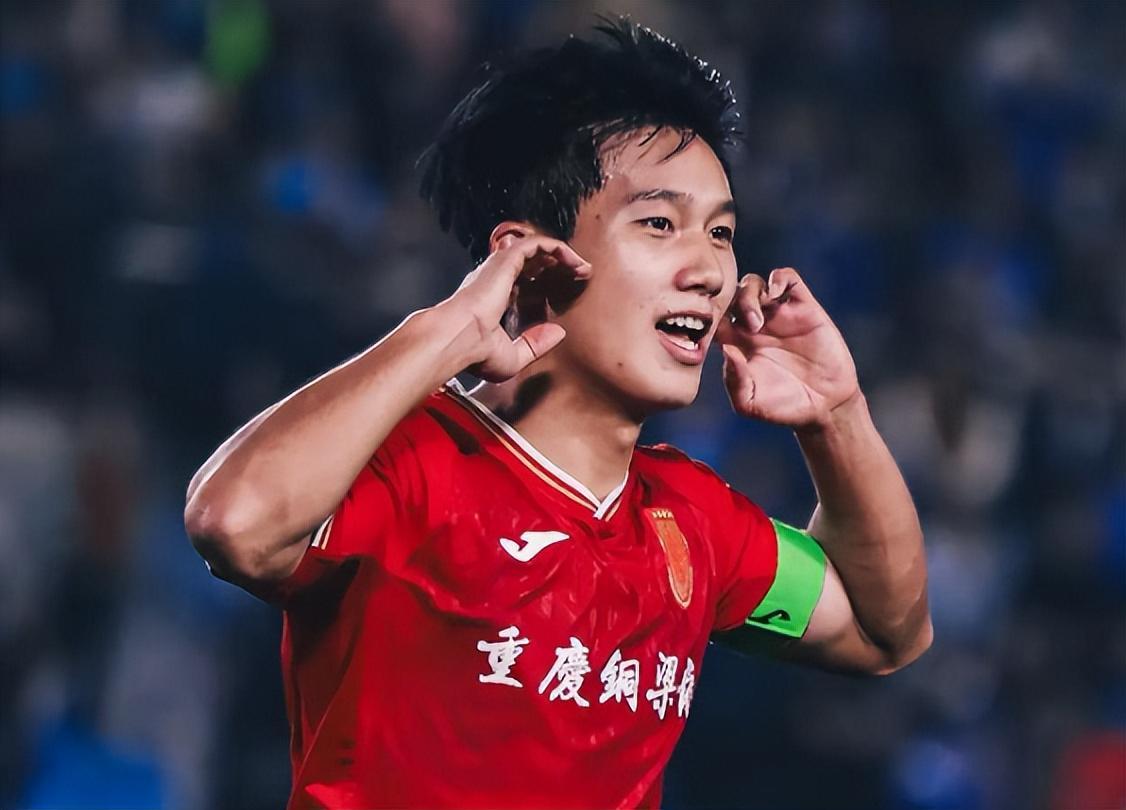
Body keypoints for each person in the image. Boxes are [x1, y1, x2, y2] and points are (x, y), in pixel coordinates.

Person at [184, 17, 932, 810]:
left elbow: (887, 630)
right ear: (531, 258)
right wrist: (442, 332)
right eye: (660, 223)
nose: (710, 270)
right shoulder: (412, 465)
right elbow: (234, 524)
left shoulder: (693, 521)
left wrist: (836, 416)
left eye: (721, 232)